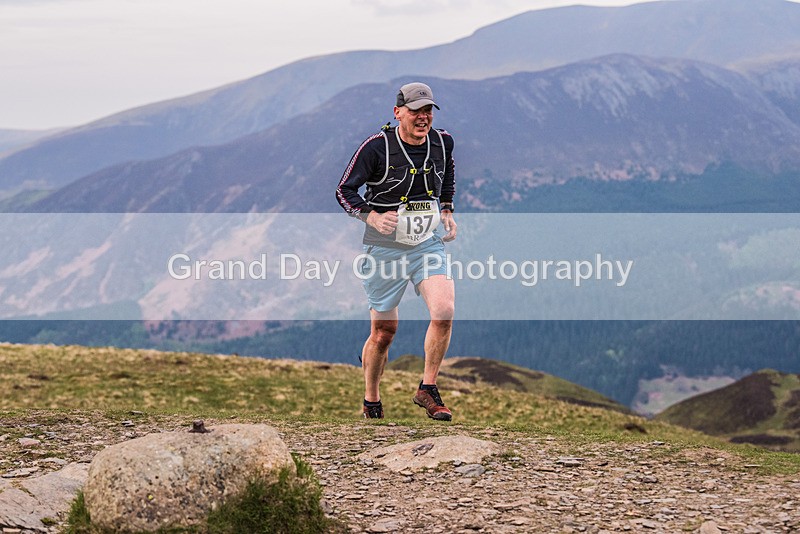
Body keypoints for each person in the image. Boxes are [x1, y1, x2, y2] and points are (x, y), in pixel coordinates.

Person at [335, 82, 457, 421]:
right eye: (416, 110)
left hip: (426, 243)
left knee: (444, 311)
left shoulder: (442, 142)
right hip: (384, 249)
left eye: (428, 110)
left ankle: (427, 388)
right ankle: (371, 400)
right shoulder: (376, 147)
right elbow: (344, 191)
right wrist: (371, 215)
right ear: (398, 112)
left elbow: (447, 174)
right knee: (383, 333)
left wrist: (447, 208)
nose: (423, 117)